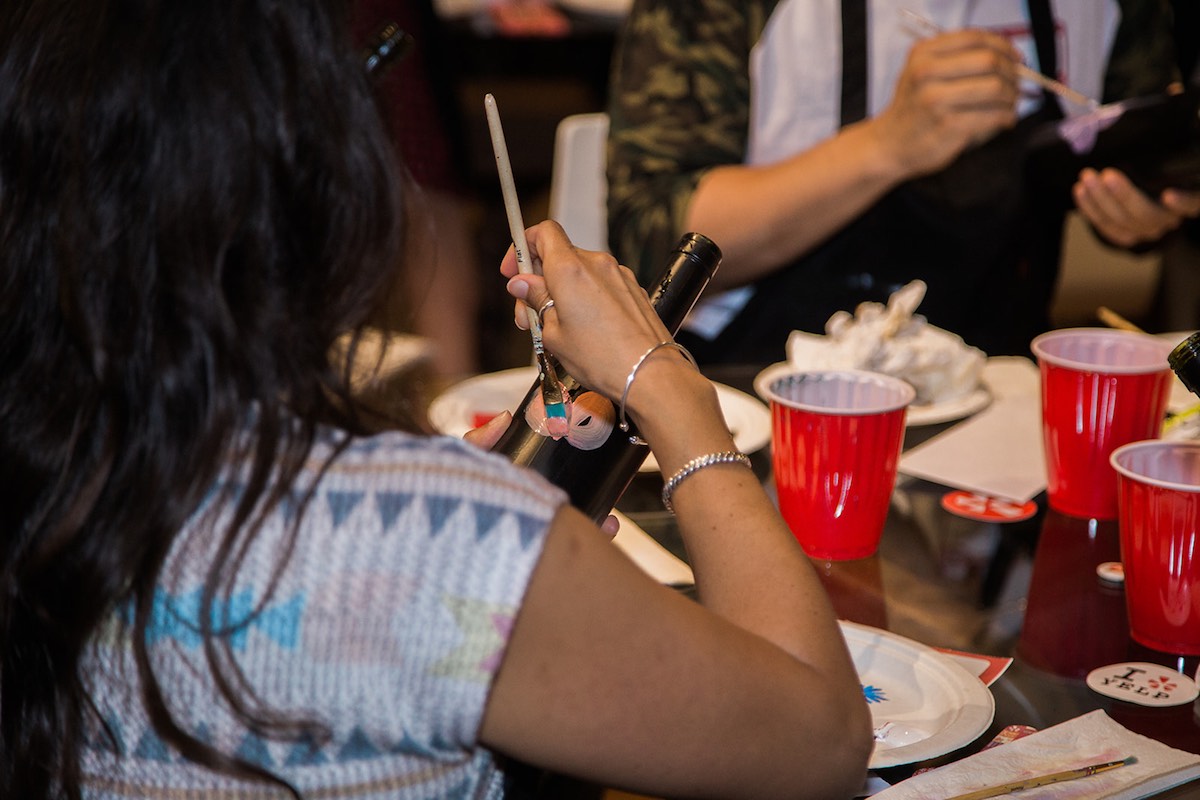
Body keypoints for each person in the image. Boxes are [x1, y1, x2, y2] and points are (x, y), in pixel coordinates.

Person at [0, 2, 872, 799]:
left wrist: (469, 516)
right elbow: (821, 744)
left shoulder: (50, 481)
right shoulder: (427, 542)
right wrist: (666, 385)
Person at [607, 0, 1200, 365]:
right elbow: (649, 237)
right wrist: (888, 144)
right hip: (753, 380)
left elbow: (1138, 153)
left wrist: (1146, 206)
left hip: (997, 373)